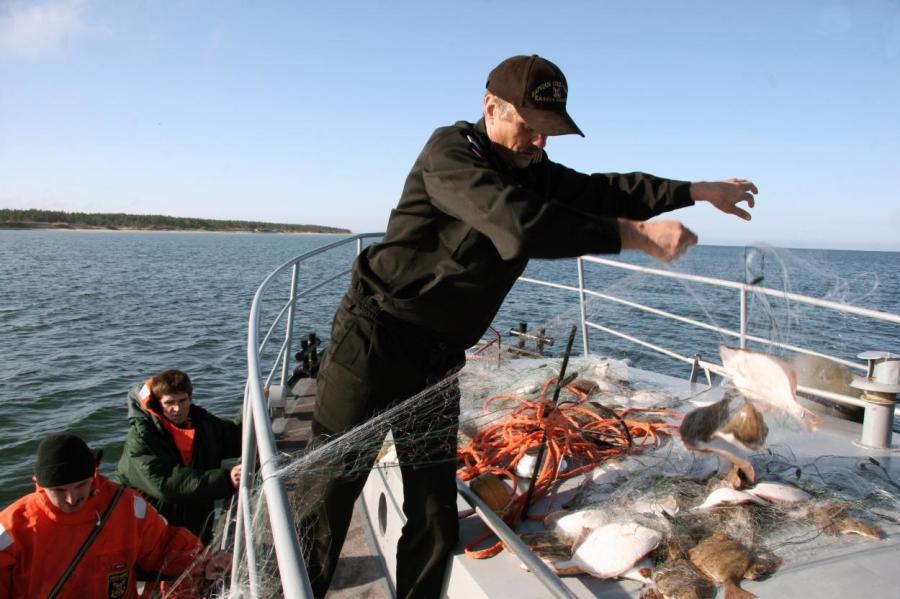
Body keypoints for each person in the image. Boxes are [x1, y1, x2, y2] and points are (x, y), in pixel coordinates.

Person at [299, 54, 758, 598]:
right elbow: (514, 225)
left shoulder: (531, 167)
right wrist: (635, 236)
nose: (540, 144)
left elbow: (605, 190)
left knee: (433, 514)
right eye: (531, 128)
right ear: (491, 107)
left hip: (438, 357)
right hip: (375, 339)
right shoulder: (450, 154)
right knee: (329, 493)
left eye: (550, 133)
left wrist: (698, 190)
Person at [0, 434, 226, 598]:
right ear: (38, 484)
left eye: (81, 485)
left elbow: (163, 544)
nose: (71, 498)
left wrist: (204, 561)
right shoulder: (11, 527)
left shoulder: (126, 506)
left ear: (94, 474)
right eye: (59, 491)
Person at [117, 369, 242, 542]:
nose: (177, 409)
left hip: (195, 524)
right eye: (169, 403)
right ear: (158, 404)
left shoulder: (202, 423)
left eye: (183, 400)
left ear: (190, 398)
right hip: (152, 530)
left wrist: (251, 409)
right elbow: (166, 484)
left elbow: (235, 440)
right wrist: (226, 479)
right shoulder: (140, 438)